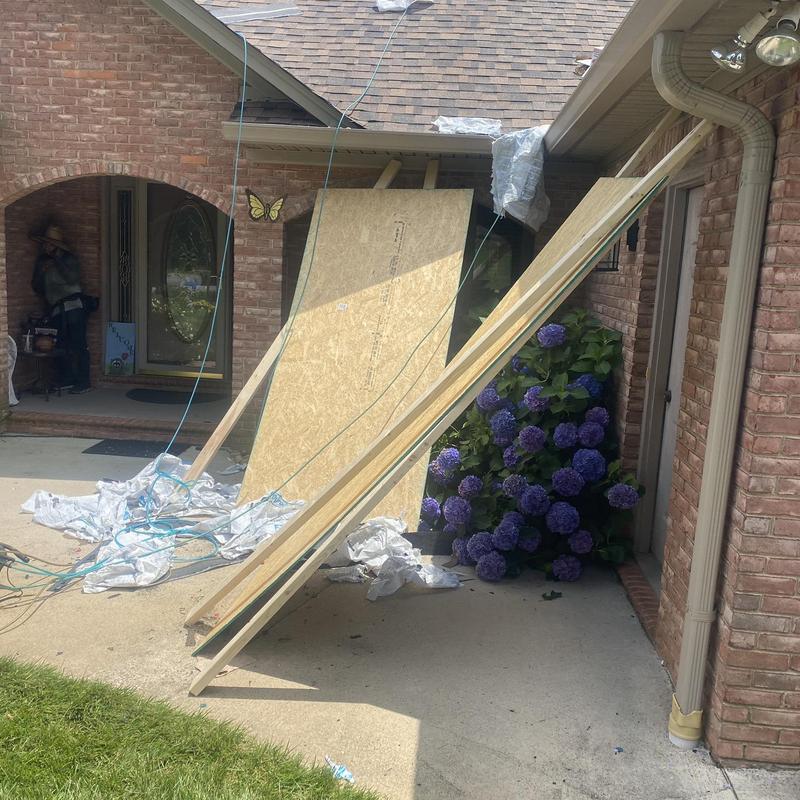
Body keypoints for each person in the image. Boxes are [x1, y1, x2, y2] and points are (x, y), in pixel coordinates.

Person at [30, 224, 91, 393]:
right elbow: (37, 287)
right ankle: (67, 378)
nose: (46, 246)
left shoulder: (68, 259)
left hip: (74, 307)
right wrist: (42, 271)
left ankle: (84, 381)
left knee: (79, 344)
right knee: (60, 345)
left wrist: (57, 260)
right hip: (56, 309)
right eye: (45, 243)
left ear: (56, 245)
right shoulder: (42, 261)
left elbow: (72, 279)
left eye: (49, 243)